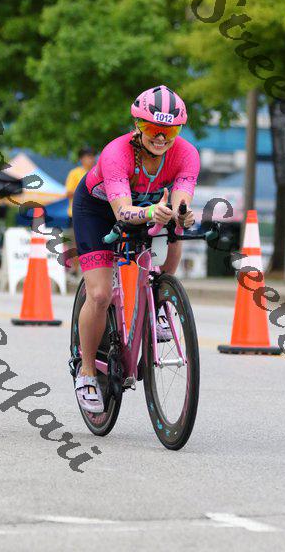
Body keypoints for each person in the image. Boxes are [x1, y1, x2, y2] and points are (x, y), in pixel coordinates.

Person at [72, 85, 199, 412]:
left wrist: (183, 214)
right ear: (138, 126)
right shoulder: (116, 153)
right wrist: (151, 212)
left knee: (174, 232)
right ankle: (87, 371)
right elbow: (122, 212)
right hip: (99, 211)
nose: (161, 137)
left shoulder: (187, 154)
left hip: (146, 207)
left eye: (171, 130)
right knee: (100, 294)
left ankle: (159, 302)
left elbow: (182, 197)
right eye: (153, 129)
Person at [65, 147, 96, 275]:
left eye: (92, 156)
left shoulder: (96, 172)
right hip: (76, 214)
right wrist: (84, 191)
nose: (91, 159)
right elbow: (68, 193)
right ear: (81, 159)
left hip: (94, 214)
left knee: (92, 242)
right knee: (76, 243)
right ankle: (75, 269)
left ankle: (90, 269)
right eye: (88, 157)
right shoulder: (75, 173)